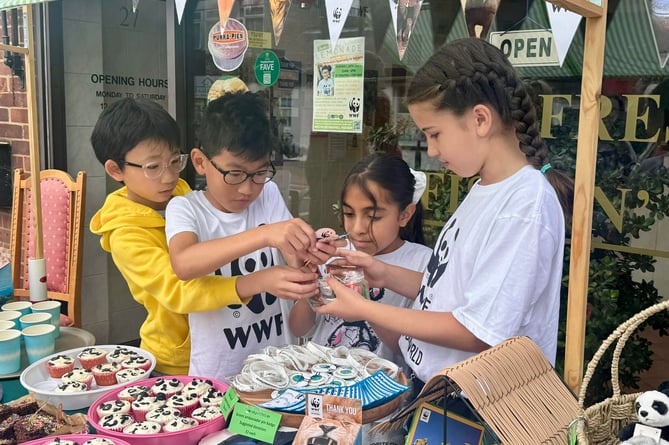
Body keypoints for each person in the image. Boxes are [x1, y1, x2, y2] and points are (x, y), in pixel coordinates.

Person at [315, 38, 573, 395]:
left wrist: (364, 308)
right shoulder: (487, 188)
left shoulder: (523, 205)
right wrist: (383, 273)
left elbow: (477, 331)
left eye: (434, 134)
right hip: (439, 393)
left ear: (480, 119)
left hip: (474, 409)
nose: (432, 151)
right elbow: (449, 290)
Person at [165, 91, 329, 381]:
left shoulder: (268, 194)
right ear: (200, 162)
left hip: (280, 371)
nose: (247, 189)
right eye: (235, 174)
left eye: (259, 173)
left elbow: (294, 259)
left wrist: (308, 256)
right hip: (218, 379)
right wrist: (265, 235)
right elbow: (184, 263)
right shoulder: (186, 208)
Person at [89, 98, 252, 375]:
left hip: (226, 334)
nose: (169, 177)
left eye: (175, 161)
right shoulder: (126, 235)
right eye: (153, 167)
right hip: (177, 360)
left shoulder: (180, 191)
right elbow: (180, 290)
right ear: (116, 170)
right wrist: (252, 283)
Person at [289, 153, 432, 369]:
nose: (357, 229)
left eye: (373, 217)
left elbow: (408, 350)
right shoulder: (333, 253)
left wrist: (364, 306)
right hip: (321, 380)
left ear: (404, 215)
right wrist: (309, 276)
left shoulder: (422, 262)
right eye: (348, 213)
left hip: (379, 390)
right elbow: (299, 328)